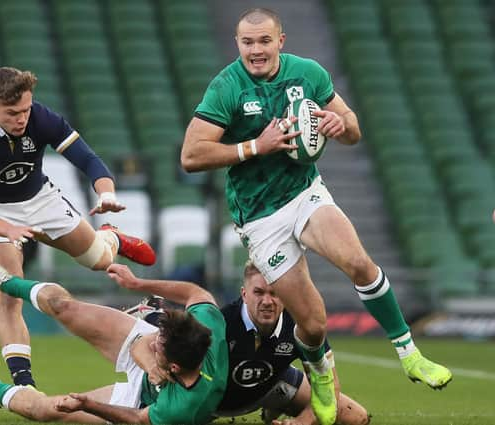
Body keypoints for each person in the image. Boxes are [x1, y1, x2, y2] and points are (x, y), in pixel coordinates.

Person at [180, 8, 451, 424]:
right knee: (313, 324)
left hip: (304, 192)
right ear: (238, 44)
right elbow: (191, 155)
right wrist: (257, 145)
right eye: (248, 43)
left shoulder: (308, 73)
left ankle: (410, 354)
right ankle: (321, 376)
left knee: (359, 263)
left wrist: (337, 124)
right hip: (259, 218)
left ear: (281, 41)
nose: (256, 50)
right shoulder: (226, 87)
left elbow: (353, 126)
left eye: (264, 41)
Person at [0, 66, 156, 388]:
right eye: (12, 113)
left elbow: (87, 159)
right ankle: (24, 383)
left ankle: (111, 237)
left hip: (40, 200)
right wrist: (7, 229)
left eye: (25, 110)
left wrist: (106, 193)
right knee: (8, 290)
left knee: (99, 262)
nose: (21, 119)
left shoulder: (41, 118)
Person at [0, 252, 228, 425]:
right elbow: (196, 294)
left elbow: (138, 419)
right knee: (63, 306)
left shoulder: (180, 408)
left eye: (160, 344)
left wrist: (87, 404)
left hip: (140, 401)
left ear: (174, 368)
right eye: (158, 335)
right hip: (160, 369)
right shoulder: (206, 331)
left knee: (46, 410)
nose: (155, 339)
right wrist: (138, 283)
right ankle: (7, 281)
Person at [218, 261, 369, 425]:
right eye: (259, 292)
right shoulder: (221, 322)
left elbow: (328, 386)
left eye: (274, 293)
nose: (267, 301)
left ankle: (278, 406)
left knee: (356, 417)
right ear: (244, 294)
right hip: (215, 401)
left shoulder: (302, 323)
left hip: (272, 386)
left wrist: (303, 421)